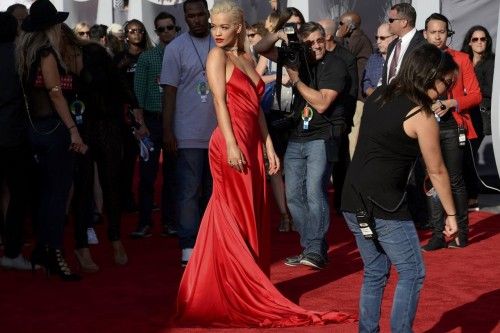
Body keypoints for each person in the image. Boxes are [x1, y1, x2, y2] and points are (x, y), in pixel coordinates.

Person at [176, 1, 353, 327]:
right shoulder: (217, 56)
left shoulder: (244, 57)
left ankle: (244, 281)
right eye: (214, 26)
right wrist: (230, 142)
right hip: (230, 144)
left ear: (238, 27)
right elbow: (219, 101)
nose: (216, 32)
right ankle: (232, 288)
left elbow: (255, 108)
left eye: (223, 26)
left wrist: (269, 145)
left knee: (251, 215)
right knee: (233, 214)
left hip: (252, 143)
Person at [341, 43, 459, 333]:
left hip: (353, 197)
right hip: (385, 204)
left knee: (375, 271)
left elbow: (380, 145)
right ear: (431, 76)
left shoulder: (379, 94)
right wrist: (452, 215)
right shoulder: (422, 114)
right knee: (413, 272)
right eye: (447, 82)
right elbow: (438, 170)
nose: (447, 90)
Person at [256, 22, 348, 269]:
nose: (317, 46)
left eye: (320, 40)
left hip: (323, 135)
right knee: (293, 196)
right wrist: (278, 34)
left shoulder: (335, 64)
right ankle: (311, 247)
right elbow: (260, 47)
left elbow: (321, 104)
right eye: (310, 43)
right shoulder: (295, 57)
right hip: (297, 135)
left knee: (314, 191)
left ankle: (316, 249)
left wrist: (296, 80)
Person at [16, 0, 87, 281]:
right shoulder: (46, 53)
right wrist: (73, 129)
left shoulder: (23, 54)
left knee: (46, 195)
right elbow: (56, 93)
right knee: (57, 196)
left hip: (33, 130)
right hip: (54, 130)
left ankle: (43, 250)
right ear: (51, 27)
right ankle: (53, 253)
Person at [160, 0, 217, 266]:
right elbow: (169, 93)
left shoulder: (220, 43)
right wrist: (168, 131)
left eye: (199, 14)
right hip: (187, 133)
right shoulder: (175, 48)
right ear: (185, 18)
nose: (196, 19)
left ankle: (212, 241)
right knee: (188, 191)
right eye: (190, 16)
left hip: (218, 133)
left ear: (208, 14)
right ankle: (189, 245)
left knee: (214, 191)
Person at [421, 13, 481, 250]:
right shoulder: (419, 60)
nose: (438, 36)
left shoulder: (461, 59)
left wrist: (452, 103)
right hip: (427, 126)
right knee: (432, 180)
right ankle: (437, 234)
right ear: (425, 34)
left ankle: (461, 232)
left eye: (442, 31)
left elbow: (475, 94)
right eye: (433, 32)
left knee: (455, 179)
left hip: (452, 125)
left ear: (448, 33)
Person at [131, 12, 179, 238]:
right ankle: (144, 222)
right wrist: (139, 124)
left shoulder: (183, 54)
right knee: (148, 176)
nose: (166, 32)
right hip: (151, 121)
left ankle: (170, 221)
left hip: (177, 122)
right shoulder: (147, 58)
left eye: (170, 27)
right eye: (161, 29)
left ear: (176, 29)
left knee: (172, 175)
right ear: (156, 32)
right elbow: (138, 94)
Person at [0, 12, 32, 271]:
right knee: (19, 194)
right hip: (14, 136)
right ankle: (12, 250)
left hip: (12, 133)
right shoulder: (20, 56)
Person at [461, 25, 495, 211]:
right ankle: (466, 195)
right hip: (462, 113)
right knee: (462, 154)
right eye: (475, 39)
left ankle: (472, 196)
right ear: (469, 42)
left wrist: (471, 92)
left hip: (480, 115)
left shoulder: (491, 62)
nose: (479, 42)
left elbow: (491, 90)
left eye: (483, 39)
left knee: (470, 155)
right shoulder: (462, 60)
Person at [382, 3, 426, 85]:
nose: (389, 23)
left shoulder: (422, 46)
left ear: (404, 22)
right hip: (388, 96)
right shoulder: (392, 45)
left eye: (391, 20)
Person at [361, 23, 396, 97]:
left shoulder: (401, 58)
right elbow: (366, 81)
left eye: (382, 38)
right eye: (377, 37)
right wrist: (374, 95)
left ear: (395, 37)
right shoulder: (373, 58)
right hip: (373, 103)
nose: (378, 42)